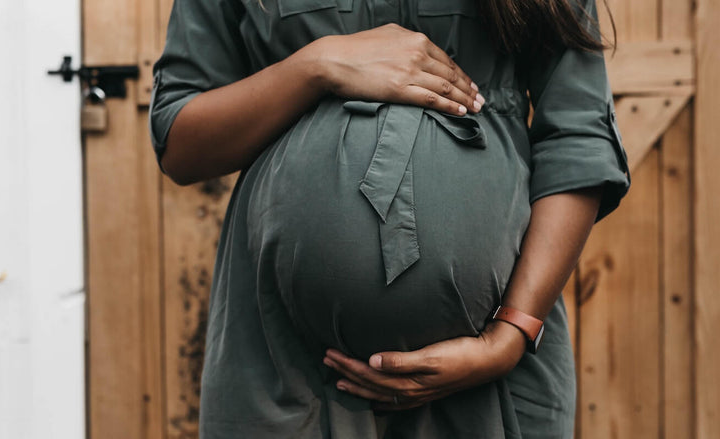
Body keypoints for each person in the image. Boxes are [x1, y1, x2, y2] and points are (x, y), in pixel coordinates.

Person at [148, 0, 630, 437]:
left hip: (494, 375)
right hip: (285, 371)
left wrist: (509, 337)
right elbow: (181, 144)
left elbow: (578, 137)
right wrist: (316, 66)